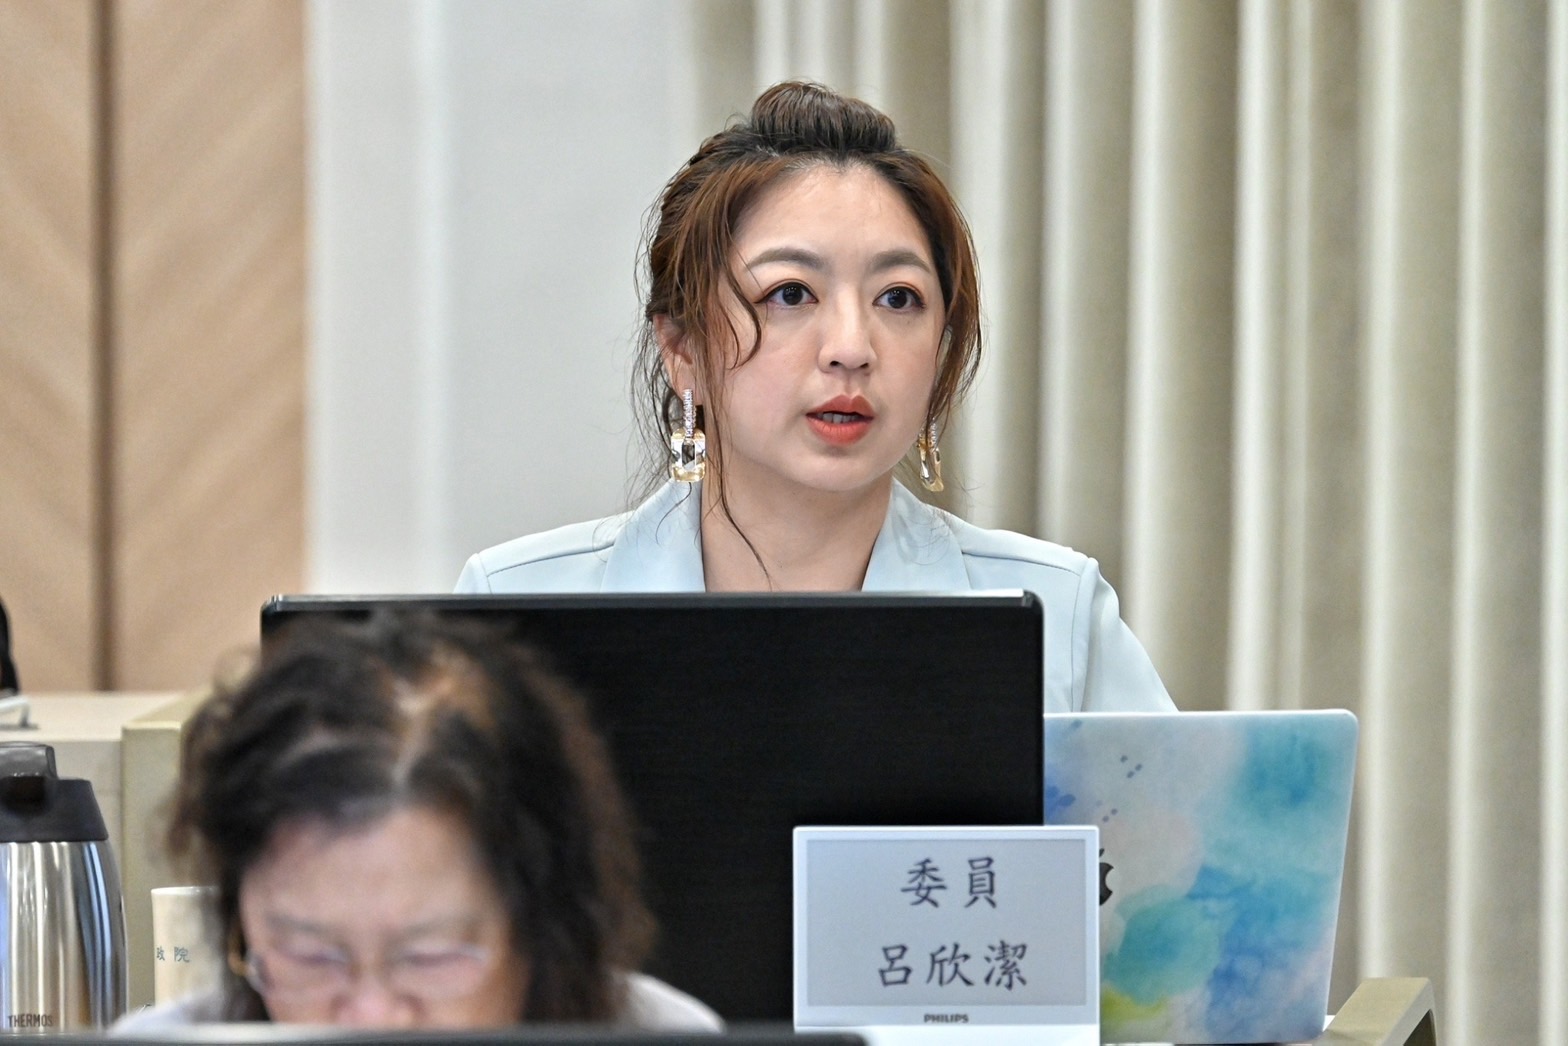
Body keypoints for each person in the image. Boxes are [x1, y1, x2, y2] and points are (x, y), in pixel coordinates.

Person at [456, 80, 1173, 714]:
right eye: (791, 294)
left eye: (898, 297)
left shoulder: (1059, 618)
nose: (852, 347)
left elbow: (1177, 831)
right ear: (682, 349)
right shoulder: (514, 617)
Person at [114, 611, 720, 1031]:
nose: (371, 1018)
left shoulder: (666, 1039)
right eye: (308, 956)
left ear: (546, 930)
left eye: (430, 956)